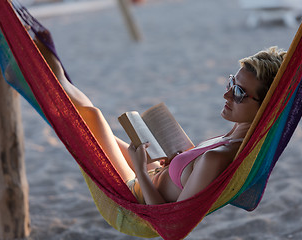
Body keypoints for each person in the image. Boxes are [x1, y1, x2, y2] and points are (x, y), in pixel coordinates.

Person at [34, 35, 286, 205]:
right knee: (90, 124)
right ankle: (40, 57)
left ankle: (37, 65)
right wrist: (175, 161)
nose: (227, 94)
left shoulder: (218, 156)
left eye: (239, 93)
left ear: (266, 105)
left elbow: (171, 224)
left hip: (136, 191)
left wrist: (141, 169)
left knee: (90, 120)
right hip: (153, 170)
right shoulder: (232, 136)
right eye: (232, 82)